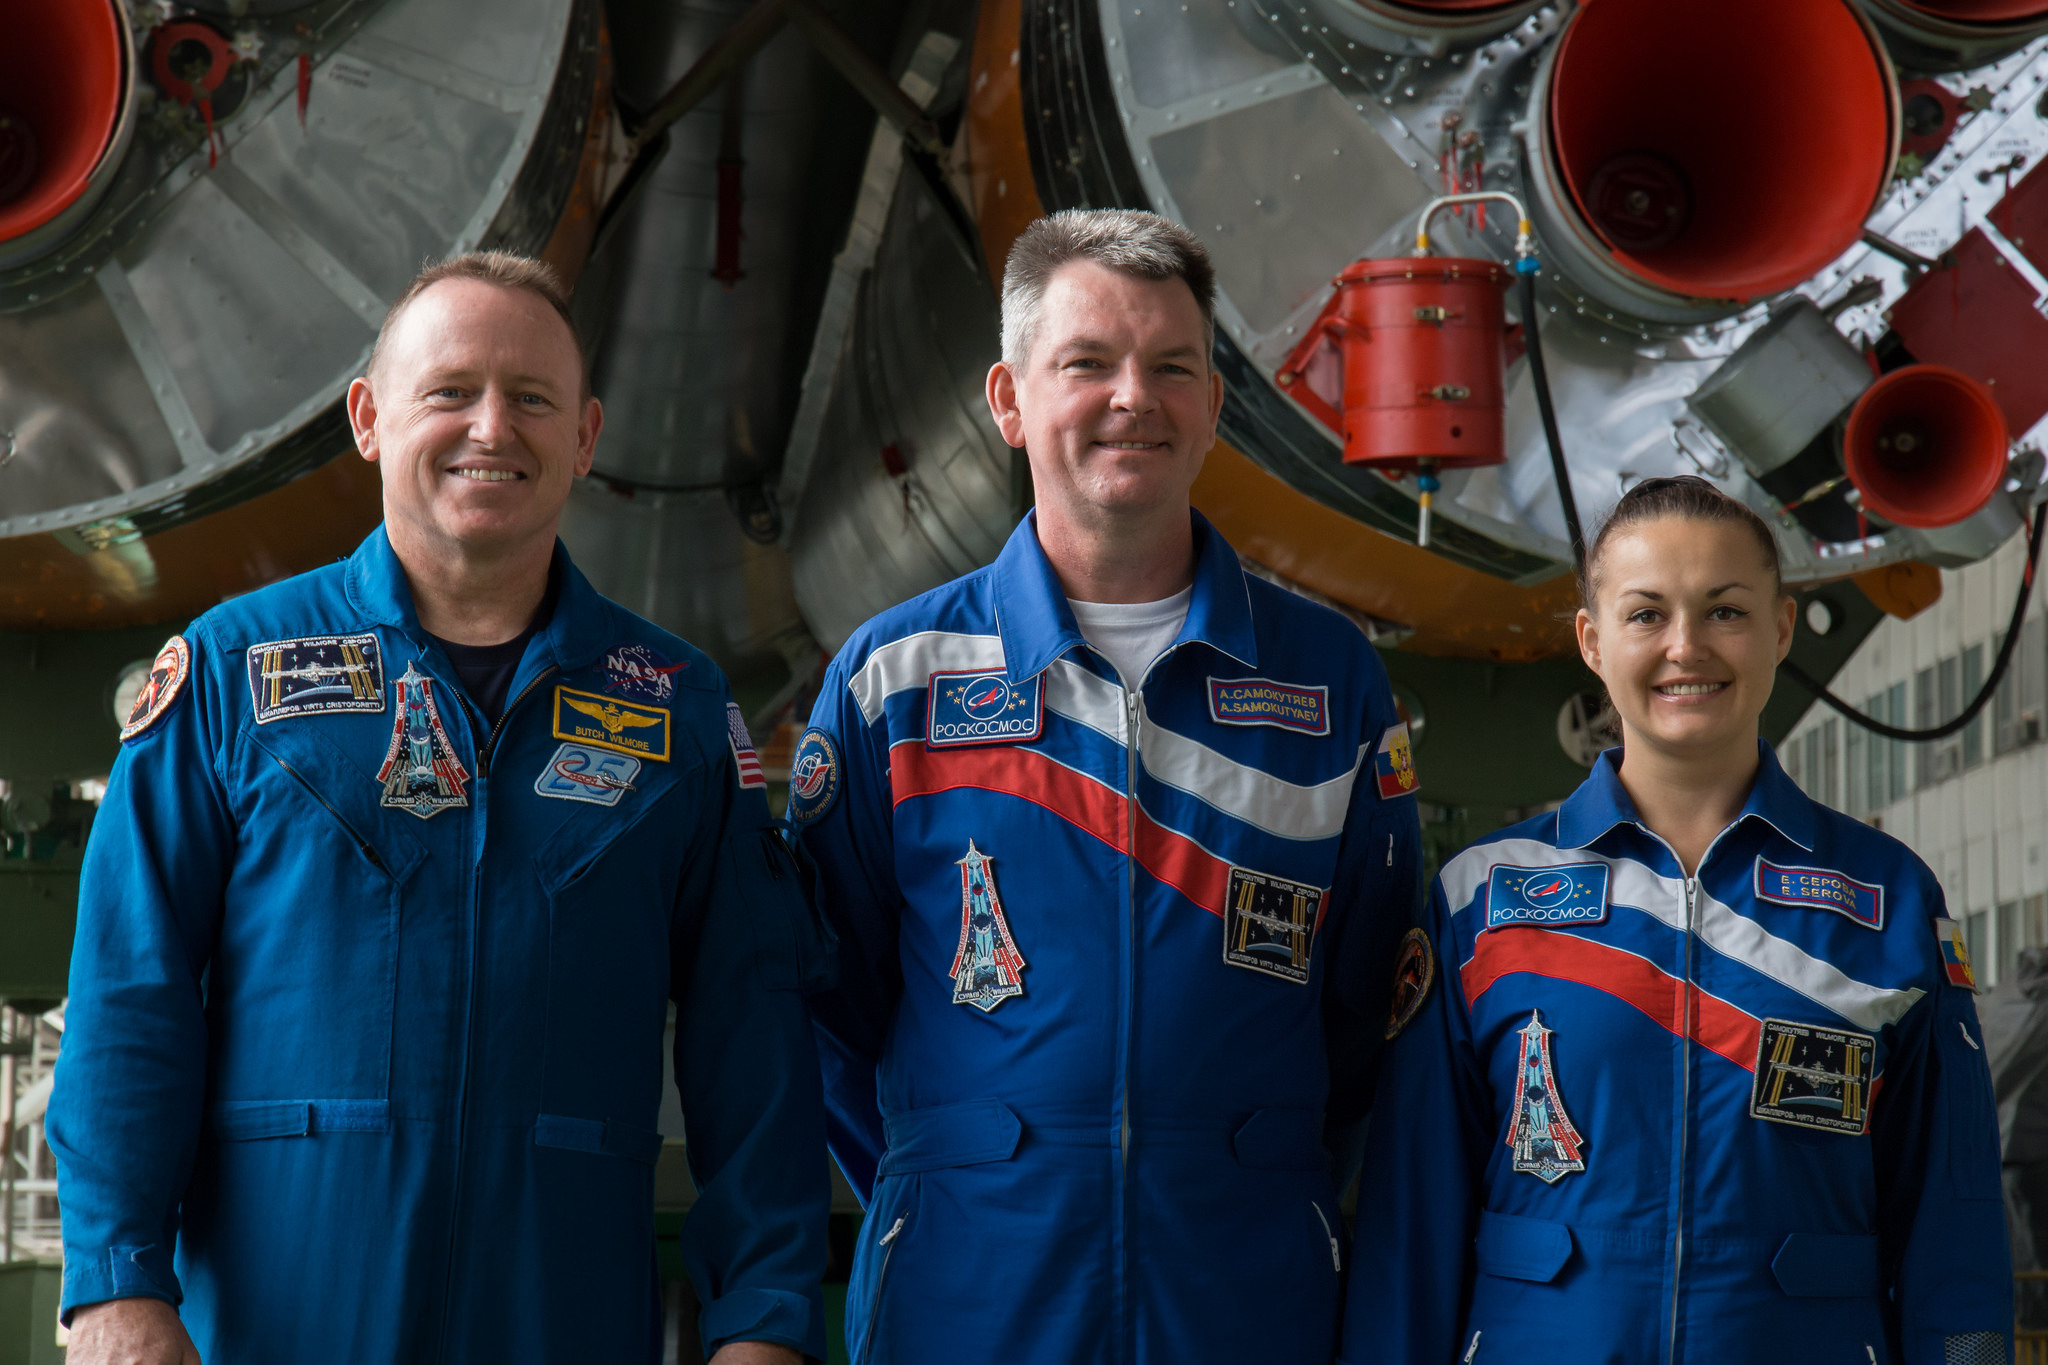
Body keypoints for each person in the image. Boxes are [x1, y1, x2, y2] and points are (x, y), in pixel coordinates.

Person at [49, 252, 832, 1365]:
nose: (491, 428)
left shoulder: (677, 709)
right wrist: (117, 1285)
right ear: (368, 418)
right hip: (281, 1321)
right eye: (450, 391)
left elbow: (749, 1040)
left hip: (556, 1316)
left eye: (532, 399)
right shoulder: (232, 674)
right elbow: (132, 991)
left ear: (586, 438)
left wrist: (764, 1320)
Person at [788, 208, 1423, 1364]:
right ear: (1008, 399)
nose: (1132, 396)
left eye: (1170, 367)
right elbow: (830, 1005)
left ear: (1213, 407)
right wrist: (956, 1177)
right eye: (1086, 363)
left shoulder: (1324, 681)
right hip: (966, 1295)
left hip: (1246, 1294)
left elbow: (1370, 1009)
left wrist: (1246, 1168)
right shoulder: (895, 682)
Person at [1343, 476, 2012, 1364]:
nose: (1686, 647)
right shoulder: (1482, 897)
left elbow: (1953, 1217)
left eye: (1726, 611)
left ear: (1780, 629)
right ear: (1591, 640)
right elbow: (1410, 1214)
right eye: (1646, 613)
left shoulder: (1886, 902)